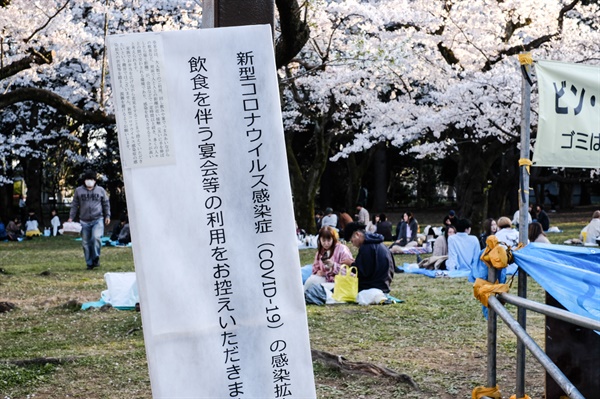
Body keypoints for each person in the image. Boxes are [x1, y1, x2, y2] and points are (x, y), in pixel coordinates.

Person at [68, 170, 111, 270]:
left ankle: (96, 257)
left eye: (91, 179)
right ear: (84, 180)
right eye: (87, 179)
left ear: (95, 181)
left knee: (96, 238)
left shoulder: (101, 190)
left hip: (98, 219)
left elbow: (106, 204)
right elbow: (74, 205)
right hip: (84, 220)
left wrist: (107, 216)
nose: (89, 181)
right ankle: (89, 263)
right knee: (85, 243)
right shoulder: (79, 191)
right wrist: (71, 217)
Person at [304, 226, 354, 291]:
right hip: (325, 279)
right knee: (310, 282)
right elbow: (315, 268)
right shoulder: (320, 252)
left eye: (329, 240)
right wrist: (318, 272)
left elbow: (349, 273)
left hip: (340, 281)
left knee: (318, 289)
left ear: (333, 239)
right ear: (320, 240)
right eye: (323, 240)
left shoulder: (342, 249)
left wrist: (333, 266)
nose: (326, 243)